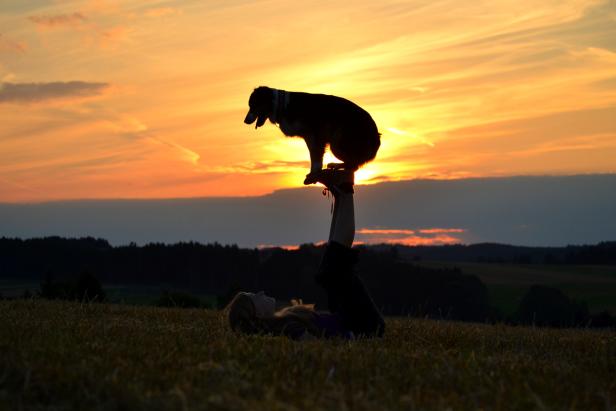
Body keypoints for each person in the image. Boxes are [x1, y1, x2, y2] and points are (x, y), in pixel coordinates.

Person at [226, 168, 385, 339]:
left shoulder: (283, 322)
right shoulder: (285, 329)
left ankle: (339, 191)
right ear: (257, 314)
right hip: (363, 326)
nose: (261, 293)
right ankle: (345, 187)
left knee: (328, 270)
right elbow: (312, 343)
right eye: (255, 297)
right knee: (334, 268)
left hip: (349, 318)